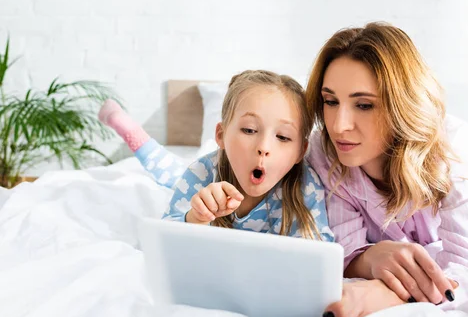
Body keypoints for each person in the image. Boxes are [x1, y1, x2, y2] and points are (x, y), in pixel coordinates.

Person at [305, 22, 468, 317]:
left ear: (401, 105)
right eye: (330, 101)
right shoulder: (322, 150)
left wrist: (387, 296)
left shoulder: (450, 144)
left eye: (364, 105)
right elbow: (342, 248)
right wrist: (371, 258)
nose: (339, 125)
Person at [99, 70, 333, 240]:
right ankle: (129, 130)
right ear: (220, 135)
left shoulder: (305, 185)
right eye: (249, 130)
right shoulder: (202, 172)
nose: (264, 147)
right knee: (169, 172)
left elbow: (322, 249)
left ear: (301, 152)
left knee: (174, 173)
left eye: (282, 137)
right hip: (211, 166)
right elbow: (166, 236)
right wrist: (195, 219)